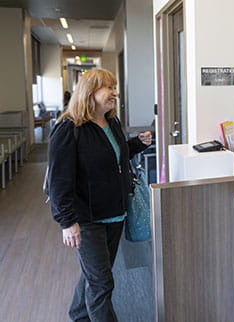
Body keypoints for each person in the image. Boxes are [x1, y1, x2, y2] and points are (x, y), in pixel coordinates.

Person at [47, 68, 152, 321]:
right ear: (90, 92)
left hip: (115, 213)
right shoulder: (69, 128)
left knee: (95, 274)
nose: (114, 93)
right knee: (102, 281)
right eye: (109, 88)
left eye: (114, 87)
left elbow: (114, 156)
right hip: (87, 219)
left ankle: (78, 315)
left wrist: (137, 144)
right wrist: (67, 222)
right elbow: (58, 181)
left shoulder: (111, 122)